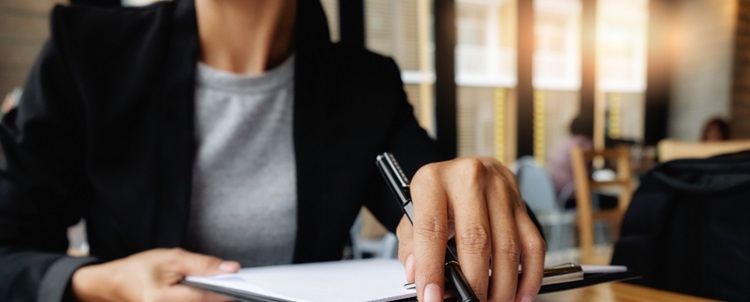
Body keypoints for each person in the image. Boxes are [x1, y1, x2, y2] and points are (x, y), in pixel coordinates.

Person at [0, 1, 545, 302]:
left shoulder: (363, 84)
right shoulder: (88, 52)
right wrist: (104, 284)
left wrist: (477, 196)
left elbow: (432, 194)